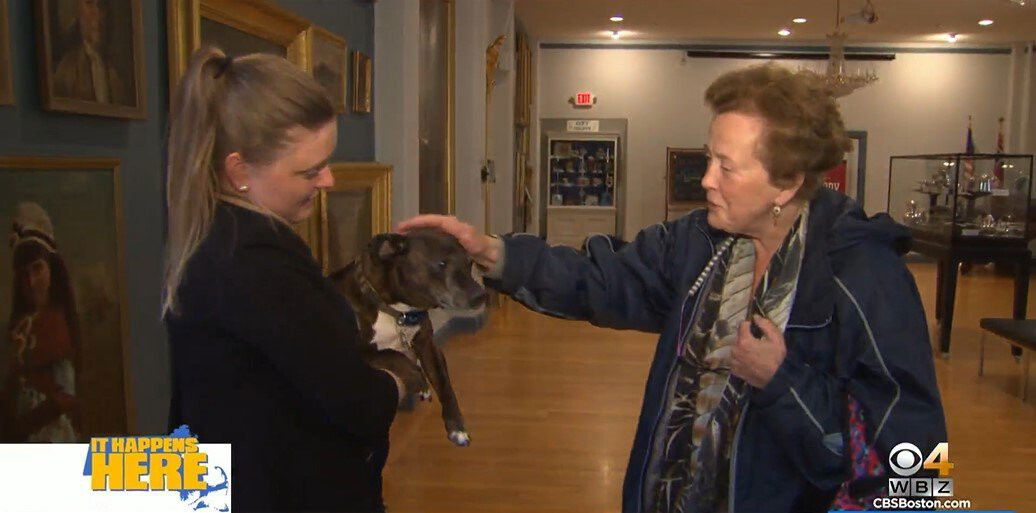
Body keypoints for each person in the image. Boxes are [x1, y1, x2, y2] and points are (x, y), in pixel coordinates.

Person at [398, 64, 947, 513]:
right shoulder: (701, 241)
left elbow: (915, 461)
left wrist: (781, 381)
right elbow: (603, 277)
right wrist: (494, 253)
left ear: (786, 182)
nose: (705, 179)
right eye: (709, 157)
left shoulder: (865, 276)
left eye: (726, 167)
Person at [163, 47, 425, 513]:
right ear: (239, 170)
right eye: (309, 170)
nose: (327, 180)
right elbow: (358, 405)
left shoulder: (216, 235)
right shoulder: (256, 263)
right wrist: (399, 377)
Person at [1, 202, 82, 443]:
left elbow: (66, 394)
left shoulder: (56, 322)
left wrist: (27, 424)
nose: (31, 280)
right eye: (24, 274)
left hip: (49, 434)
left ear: (51, 271)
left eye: (37, 269)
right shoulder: (20, 326)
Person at [53, 0, 126, 104]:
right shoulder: (65, 68)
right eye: (89, 3)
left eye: (101, 5)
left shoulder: (114, 70)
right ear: (77, 10)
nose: (98, 13)